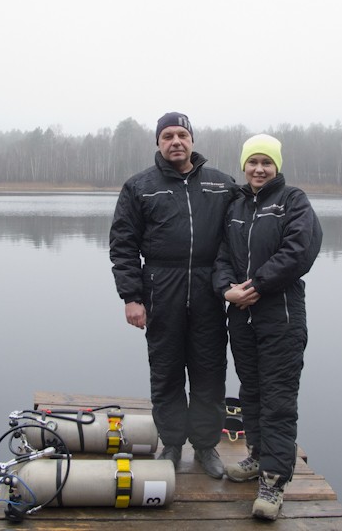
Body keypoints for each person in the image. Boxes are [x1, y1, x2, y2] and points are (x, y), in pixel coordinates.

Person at [109, 112, 236, 479]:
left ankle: (206, 446)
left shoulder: (222, 184)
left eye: (182, 134)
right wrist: (131, 297)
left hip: (210, 290)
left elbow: (242, 236)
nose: (176, 141)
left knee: (209, 372)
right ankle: (173, 442)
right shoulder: (139, 187)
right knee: (165, 371)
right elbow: (123, 246)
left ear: (193, 141)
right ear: (158, 143)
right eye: (168, 136)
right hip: (161, 287)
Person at [213, 133, 322, 520]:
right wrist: (227, 291)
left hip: (282, 318)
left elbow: (300, 251)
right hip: (241, 317)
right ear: (244, 165)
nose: (259, 169)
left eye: (267, 162)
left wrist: (257, 285)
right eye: (253, 162)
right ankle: (257, 457)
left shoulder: (293, 201)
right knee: (252, 391)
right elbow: (221, 254)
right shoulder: (236, 204)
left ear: (277, 166)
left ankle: (274, 484)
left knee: (277, 400)